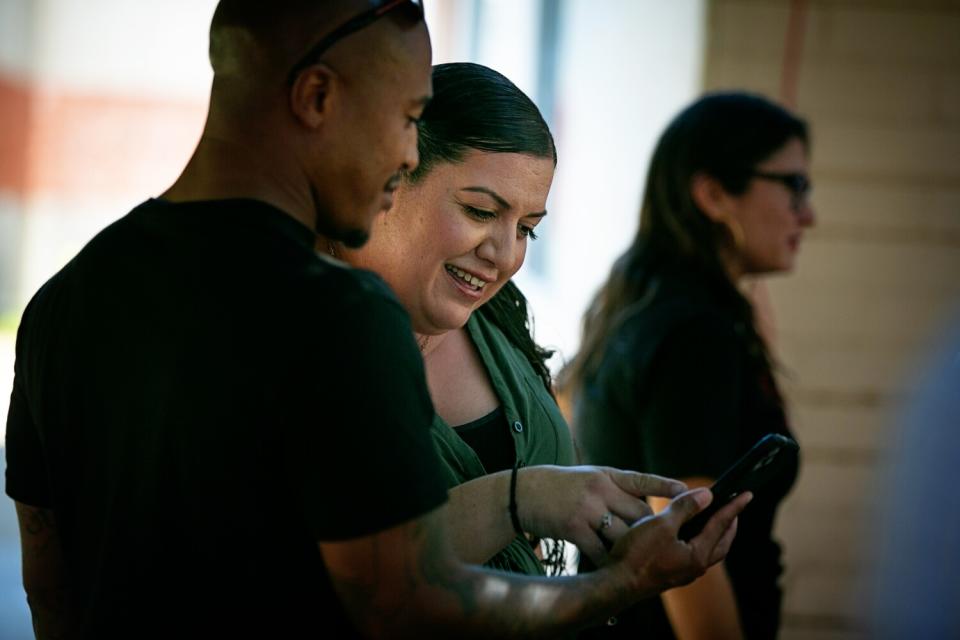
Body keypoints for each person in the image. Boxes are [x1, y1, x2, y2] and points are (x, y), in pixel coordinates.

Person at [4, 2, 750, 637]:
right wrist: (621, 582)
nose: (403, 153)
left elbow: (49, 582)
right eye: (407, 117)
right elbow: (402, 603)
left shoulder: (65, 299)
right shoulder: (336, 313)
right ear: (317, 97)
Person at [327, 61, 682, 576]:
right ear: (393, 176)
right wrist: (522, 500)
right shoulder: (299, 335)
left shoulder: (495, 315)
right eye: (480, 212)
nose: (505, 255)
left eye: (527, 229)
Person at [563, 92, 815, 639]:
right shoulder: (695, 334)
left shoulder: (643, 303)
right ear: (713, 194)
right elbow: (688, 549)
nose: (808, 215)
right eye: (793, 186)